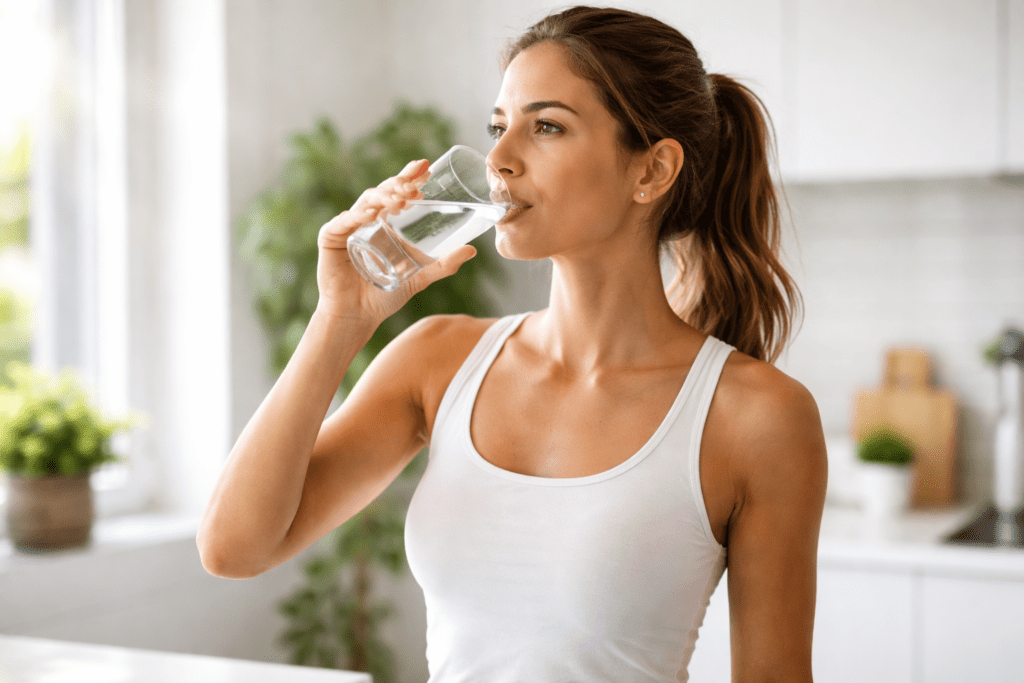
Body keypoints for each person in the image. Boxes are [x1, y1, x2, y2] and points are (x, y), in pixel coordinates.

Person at [197, 6, 827, 682]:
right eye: (498, 127)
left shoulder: (757, 417)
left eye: (546, 126)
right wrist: (339, 320)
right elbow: (234, 549)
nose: (498, 159)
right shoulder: (437, 361)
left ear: (652, 170)